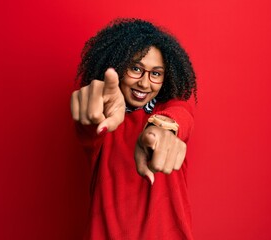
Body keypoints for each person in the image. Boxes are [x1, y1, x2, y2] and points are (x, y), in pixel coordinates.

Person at [71, 18, 197, 239]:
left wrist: (162, 128)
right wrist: (94, 106)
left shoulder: (172, 107)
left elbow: (181, 116)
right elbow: (89, 126)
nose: (145, 83)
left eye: (156, 73)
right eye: (136, 68)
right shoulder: (101, 116)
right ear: (118, 66)